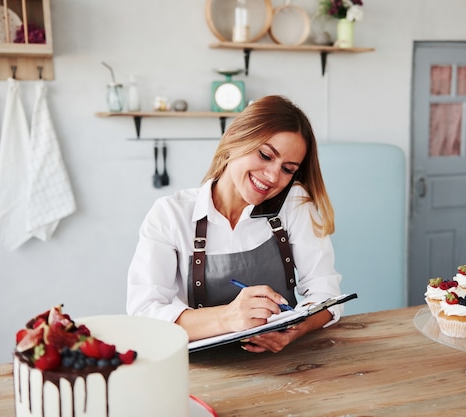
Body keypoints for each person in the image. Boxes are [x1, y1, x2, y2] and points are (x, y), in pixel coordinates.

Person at [127, 95, 342, 353]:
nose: (273, 176)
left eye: (288, 169)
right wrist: (229, 317)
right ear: (234, 139)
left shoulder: (295, 205)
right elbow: (144, 314)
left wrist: (295, 328)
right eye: (265, 155)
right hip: (202, 372)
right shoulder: (171, 214)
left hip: (282, 364)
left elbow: (327, 295)